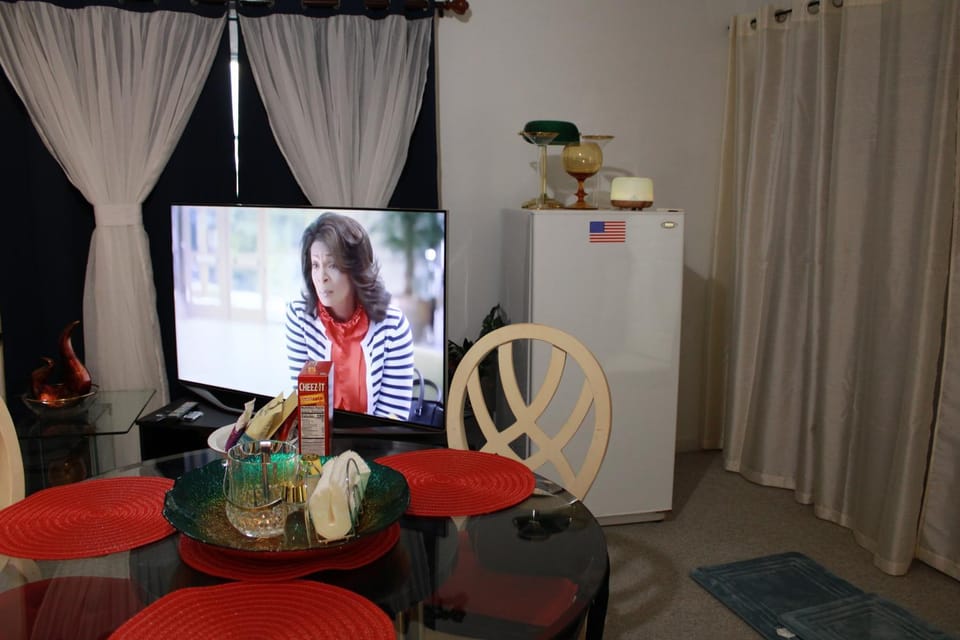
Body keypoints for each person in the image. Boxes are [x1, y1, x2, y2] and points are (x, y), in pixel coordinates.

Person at [285, 212, 415, 420]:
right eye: (316, 265)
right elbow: (308, 413)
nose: (321, 278)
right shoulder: (299, 317)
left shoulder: (393, 324)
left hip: (378, 444)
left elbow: (393, 417)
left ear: (356, 268)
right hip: (319, 443)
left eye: (333, 265)